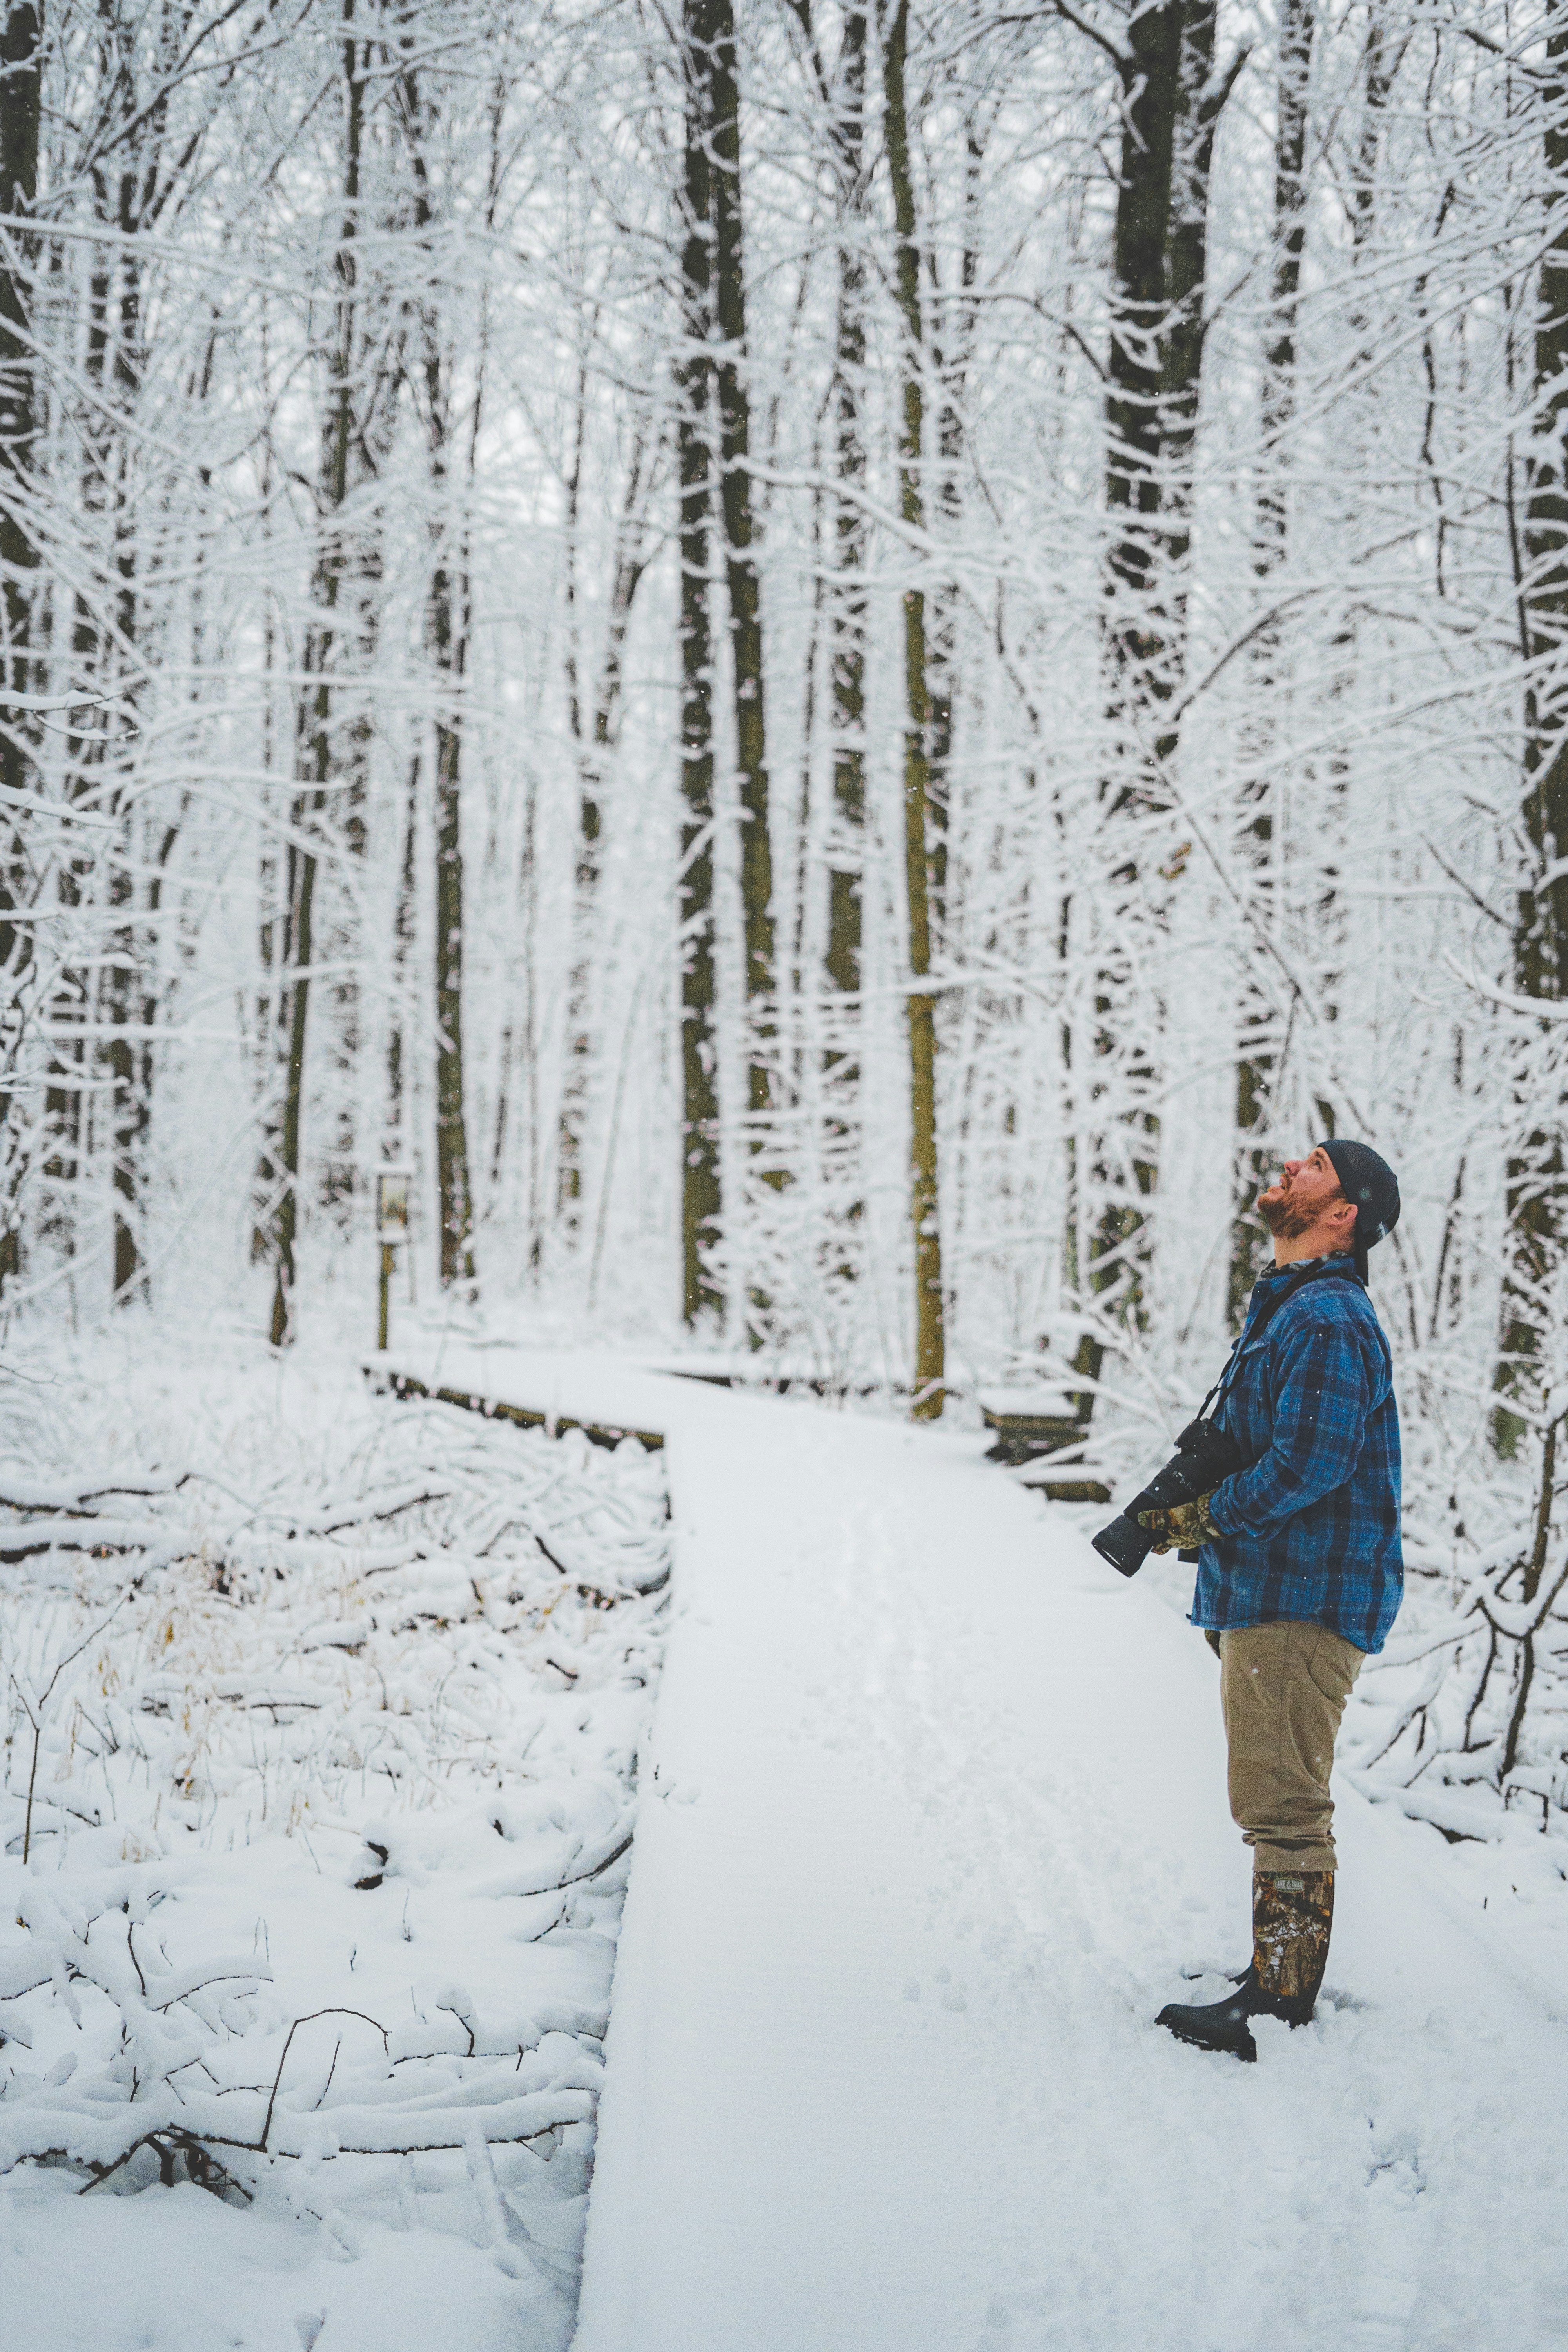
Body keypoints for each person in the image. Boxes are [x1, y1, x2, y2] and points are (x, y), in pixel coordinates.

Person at [1135, 1139, 1403, 2061]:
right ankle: (1270, 1972)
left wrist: (1197, 1520)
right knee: (1271, 1791)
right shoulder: (1294, 1308)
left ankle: (1279, 2004)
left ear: (1344, 1215)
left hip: (1301, 1593)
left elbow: (1308, 1463)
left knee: (1283, 1803)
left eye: (1317, 1165)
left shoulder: (1327, 1319)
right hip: (1270, 1588)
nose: (1291, 1164)